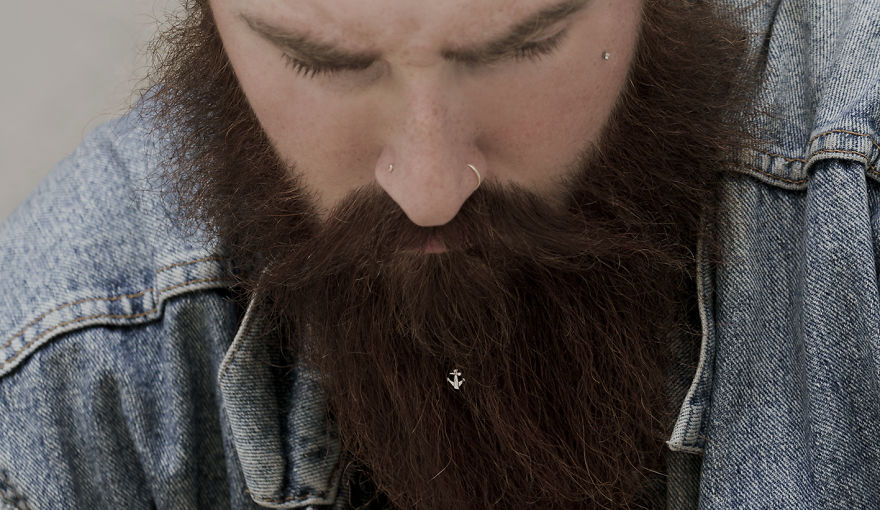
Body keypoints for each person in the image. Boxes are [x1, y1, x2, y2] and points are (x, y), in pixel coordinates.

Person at [1, 0, 878, 508]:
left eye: (525, 46)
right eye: (319, 63)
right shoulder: (68, 371)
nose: (429, 190)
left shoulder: (853, 188)